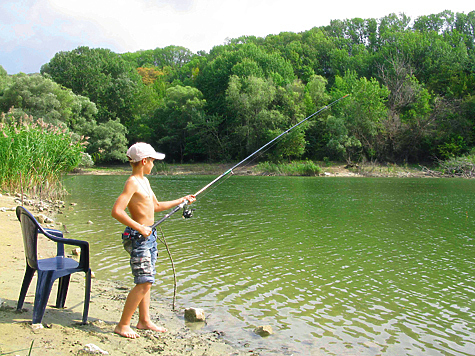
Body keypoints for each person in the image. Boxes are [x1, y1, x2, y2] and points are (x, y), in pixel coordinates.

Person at [111, 142, 196, 339]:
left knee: (146, 281)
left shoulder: (145, 182)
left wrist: (181, 200)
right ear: (144, 161)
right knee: (145, 282)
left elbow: (156, 206)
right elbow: (116, 211)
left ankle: (144, 321)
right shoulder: (132, 182)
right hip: (139, 237)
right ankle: (123, 325)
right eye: (152, 161)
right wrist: (139, 227)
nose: (154, 165)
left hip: (150, 237)